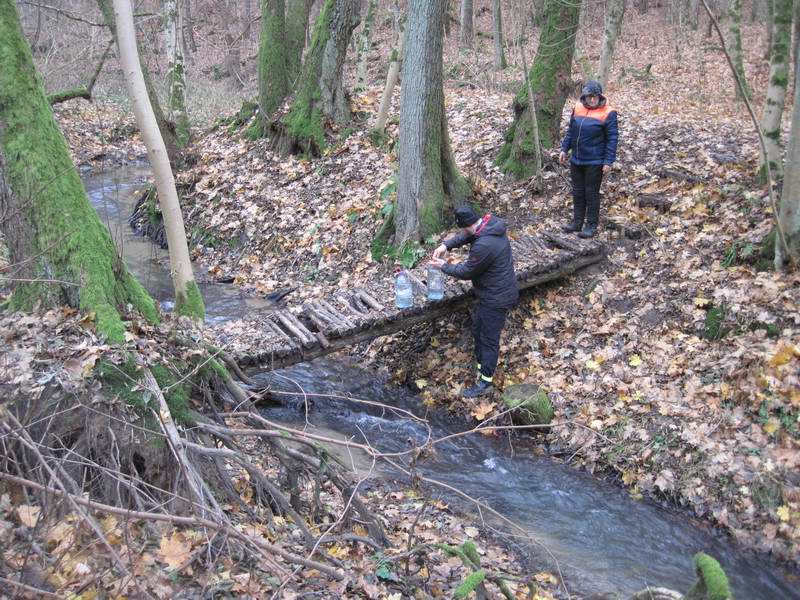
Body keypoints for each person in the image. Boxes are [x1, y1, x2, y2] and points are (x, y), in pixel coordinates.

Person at [429, 206, 518, 398]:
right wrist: (446, 245)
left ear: (469, 225)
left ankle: (485, 381)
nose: (463, 233)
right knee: (478, 330)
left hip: (496, 297)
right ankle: (481, 365)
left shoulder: (484, 245)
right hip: (491, 293)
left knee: (488, 338)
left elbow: (466, 272)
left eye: (463, 229)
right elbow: (466, 236)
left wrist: (444, 266)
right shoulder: (488, 225)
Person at [559, 80, 619, 238]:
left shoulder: (608, 112)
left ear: (600, 96)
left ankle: (591, 225)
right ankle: (577, 222)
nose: (592, 100)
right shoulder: (578, 108)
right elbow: (571, 131)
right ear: (584, 97)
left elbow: (612, 139)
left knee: (591, 193)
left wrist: (608, 161)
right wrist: (565, 149)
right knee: (578, 192)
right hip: (576, 159)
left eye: (595, 97)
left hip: (595, 161)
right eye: (588, 97)